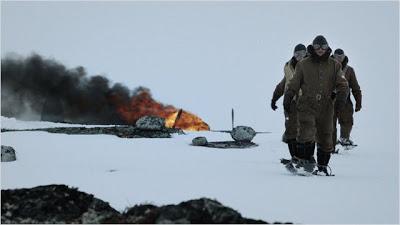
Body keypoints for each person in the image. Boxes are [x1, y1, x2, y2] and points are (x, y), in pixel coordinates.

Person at [283, 35, 349, 175]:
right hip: (307, 104)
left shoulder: (335, 65)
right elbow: (294, 83)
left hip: (326, 106)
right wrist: (288, 97)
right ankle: (305, 162)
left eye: (323, 47)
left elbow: (342, 85)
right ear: (312, 47)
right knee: (306, 133)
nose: (320, 50)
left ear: (327, 48)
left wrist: (342, 99)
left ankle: (322, 167)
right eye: (317, 47)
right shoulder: (303, 64)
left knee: (326, 137)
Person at [271, 44, 307, 160]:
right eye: (296, 54)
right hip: (290, 103)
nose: (298, 56)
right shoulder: (288, 67)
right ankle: (295, 157)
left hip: (305, 102)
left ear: (306, 53)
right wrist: (274, 98)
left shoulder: (310, 66)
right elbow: (283, 85)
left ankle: (306, 157)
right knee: (290, 130)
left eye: (301, 54)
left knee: (305, 130)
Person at [332, 48, 362, 146]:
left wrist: (358, 101)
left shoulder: (349, 70)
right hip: (329, 100)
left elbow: (355, 87)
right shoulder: (327, 68)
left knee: (347, 120)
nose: (338, 59)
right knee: (329, 122)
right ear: (333, 56)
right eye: (336, 56)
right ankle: (330, 143)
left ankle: (344, 139)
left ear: (344, 57)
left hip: (345, 100)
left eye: (340, 57)